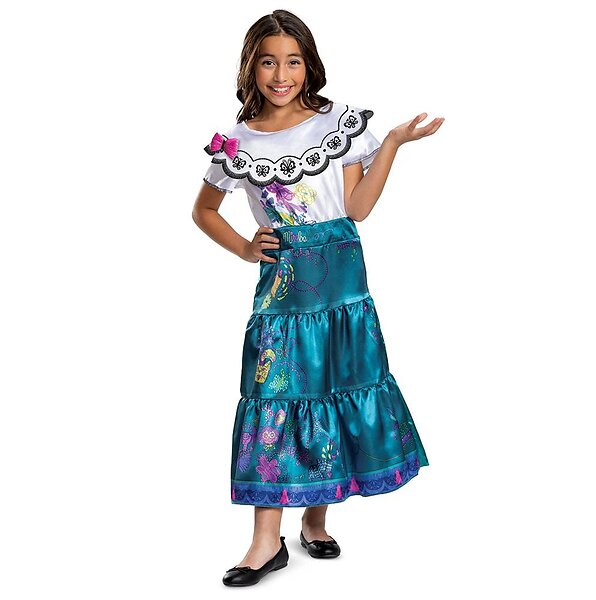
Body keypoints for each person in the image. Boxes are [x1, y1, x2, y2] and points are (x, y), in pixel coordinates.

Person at [192, 9, 444, 587]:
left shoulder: (337, 124)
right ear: (251, 68)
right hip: (285, 291)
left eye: (293, 61)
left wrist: (393, 144)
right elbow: (203, 209)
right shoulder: (237, 142)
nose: (281, 75)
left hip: (342, 284)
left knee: (329, 389)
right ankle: (265, 542)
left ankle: (315, 520)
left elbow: (357, 209)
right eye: (268, 62)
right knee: (276, 397)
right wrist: (244, 247)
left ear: (309, 66)